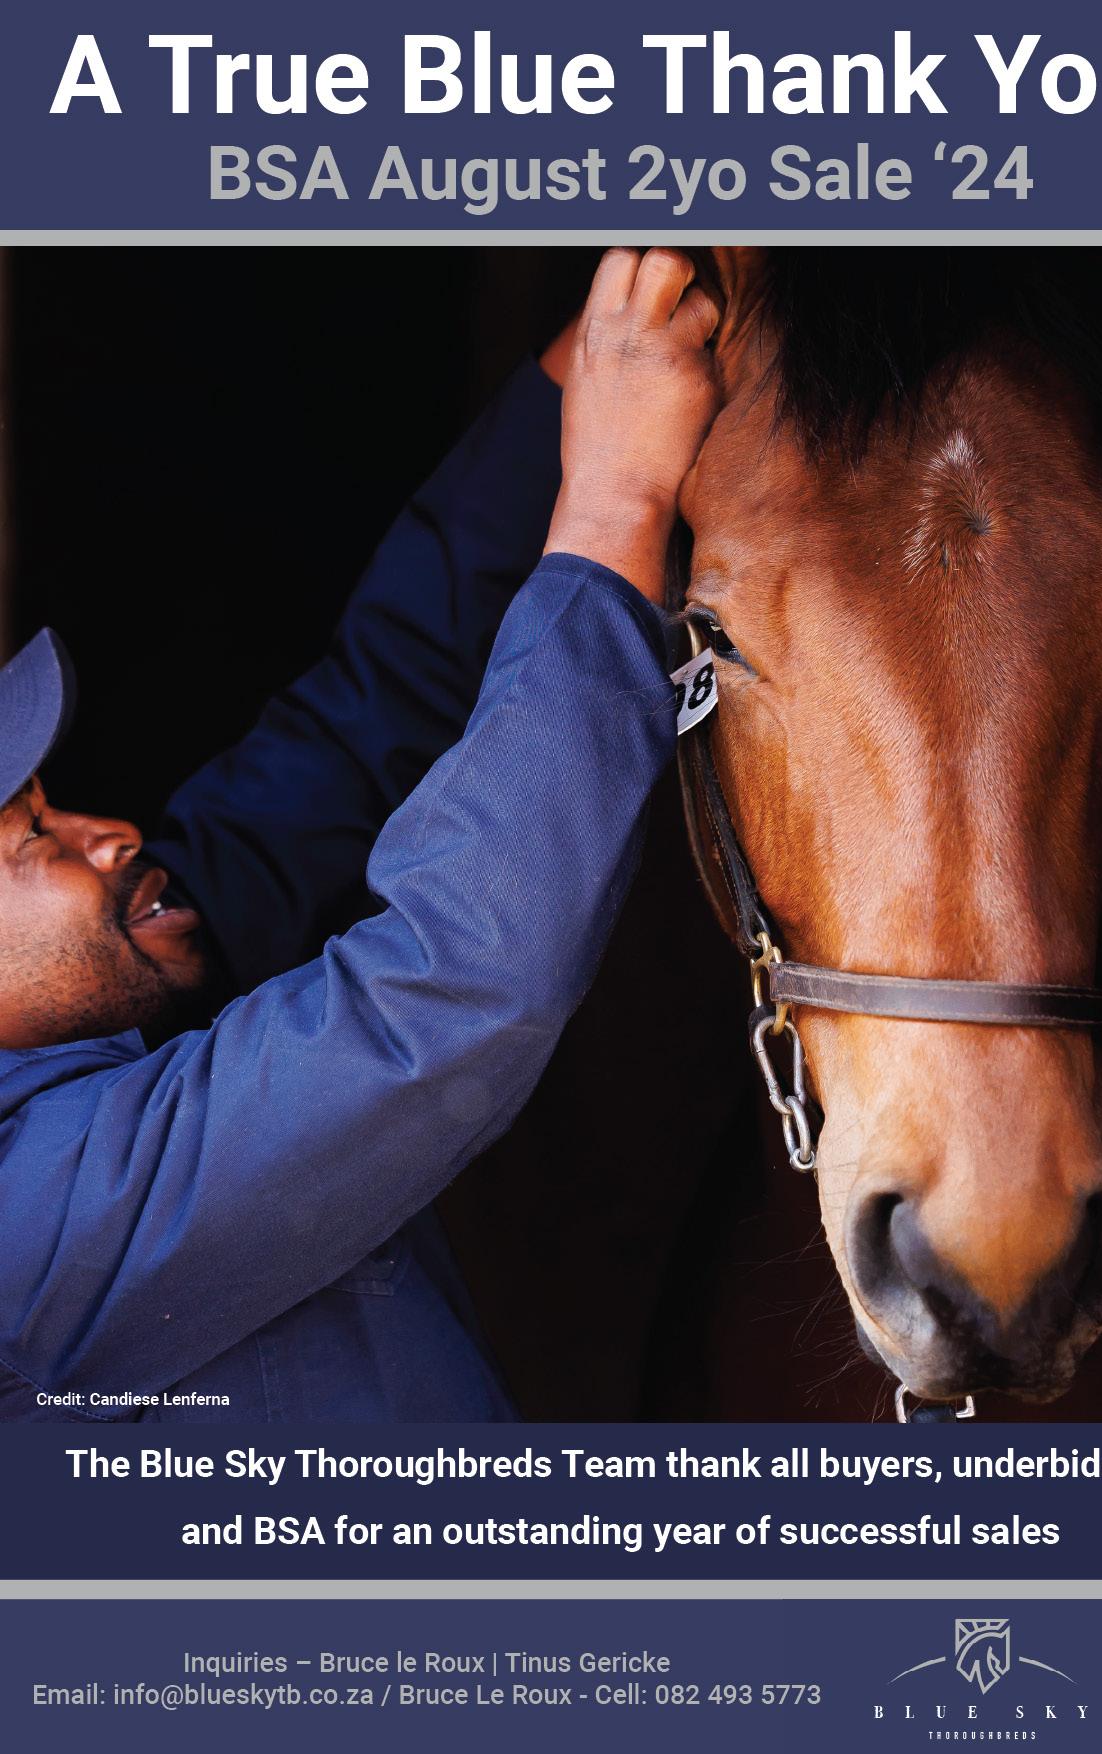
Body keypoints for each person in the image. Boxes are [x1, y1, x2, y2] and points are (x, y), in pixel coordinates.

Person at [0, 247, 720, 1422]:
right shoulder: (28, 1230)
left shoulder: (109, 987)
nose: (110, 833)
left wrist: (587, 366)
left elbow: (362, 719)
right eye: (35, 839)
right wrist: (614, 505)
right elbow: (446, 985)